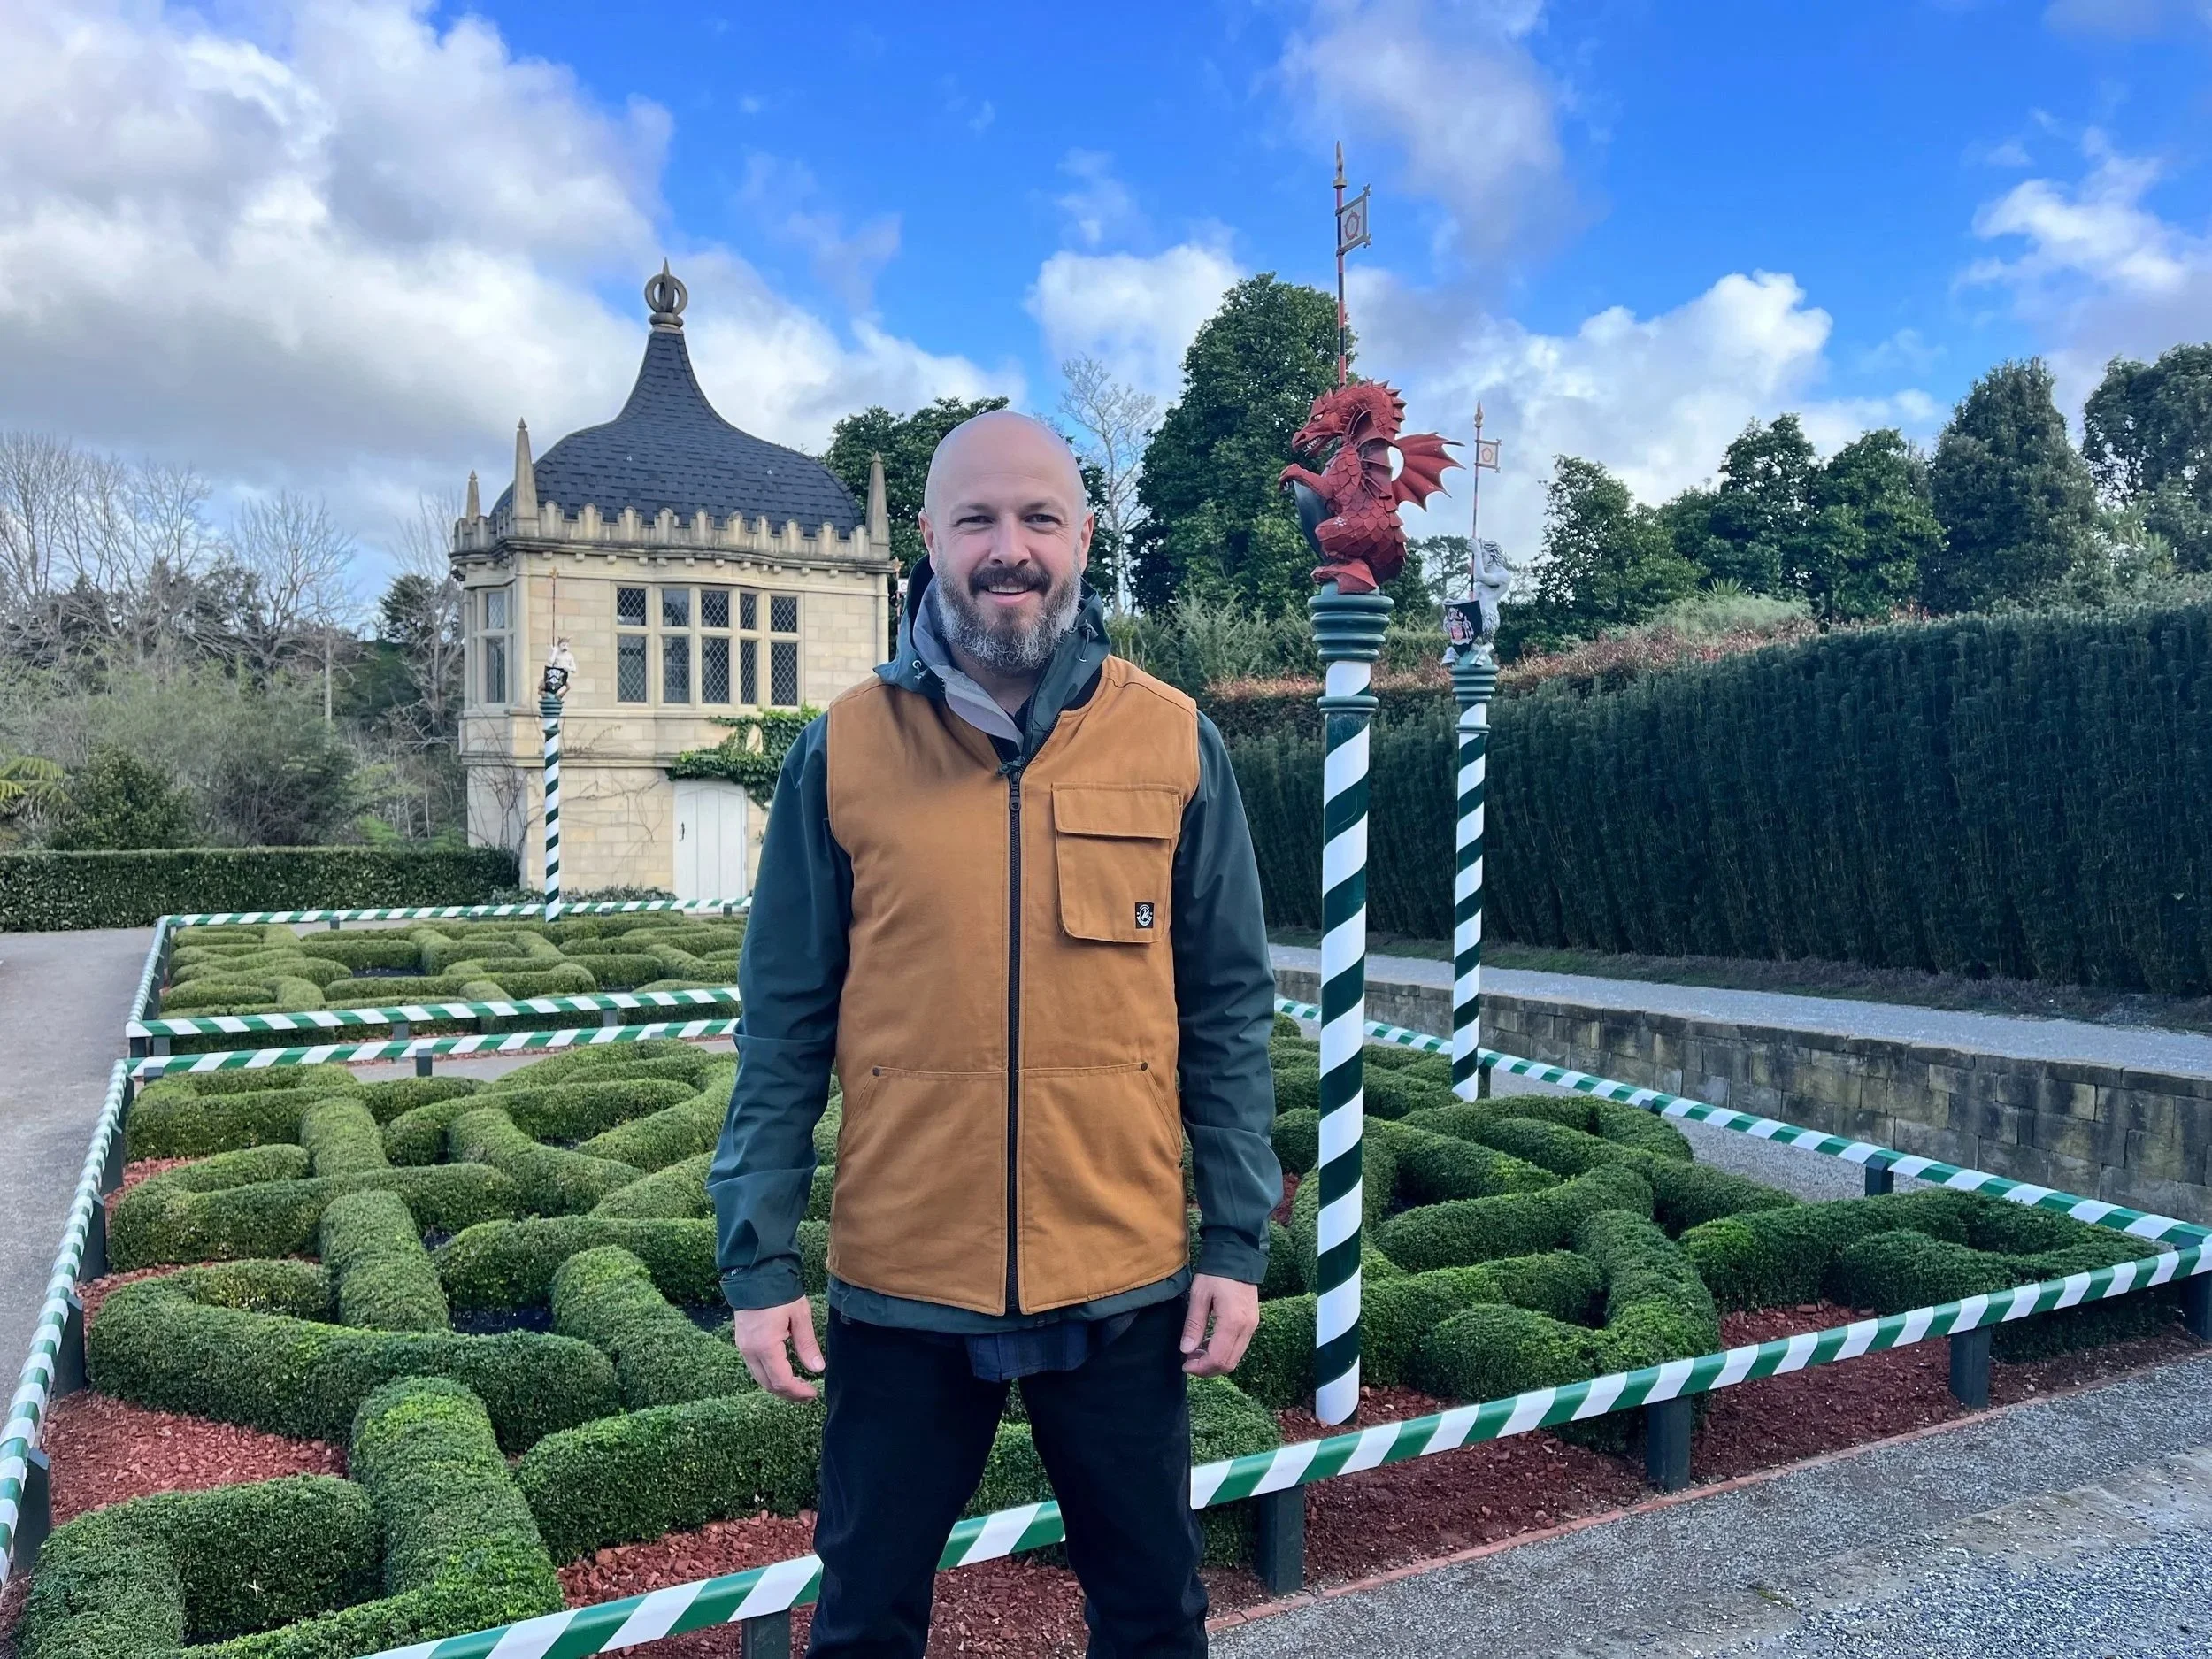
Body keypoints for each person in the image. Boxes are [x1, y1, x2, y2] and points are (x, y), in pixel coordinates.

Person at [709, 409, 1281, 1659]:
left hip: (1121, 1268)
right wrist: (758, 1262)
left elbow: (1229, 1011)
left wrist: (1236, 1238)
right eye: (977, 519)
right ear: (931, 537)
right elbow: (783, 1026)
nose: (1007, 548)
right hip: (905, 1276)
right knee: (862, 1620)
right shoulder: (843, 749)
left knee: (1154, 1614)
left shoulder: (1173, 739)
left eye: (1037, 518)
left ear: (1084, 536)